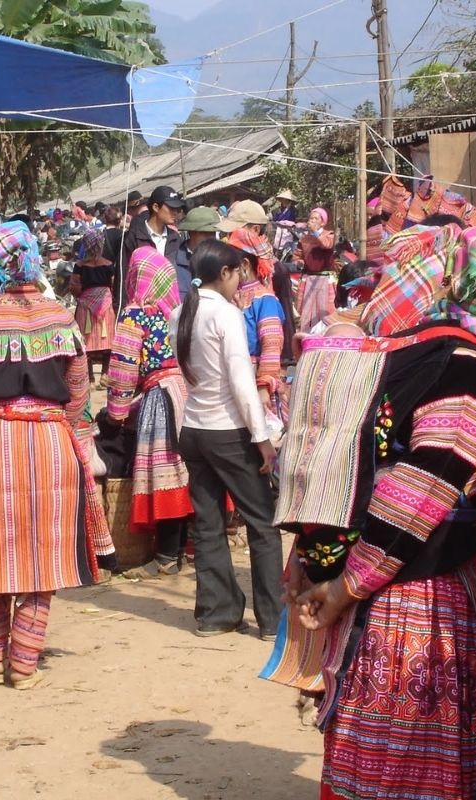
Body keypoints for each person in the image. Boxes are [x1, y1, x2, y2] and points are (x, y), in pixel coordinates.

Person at [291, 219, 476, 800]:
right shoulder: (472, 367)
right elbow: (422, 484)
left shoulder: (418, 346)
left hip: (384, 585)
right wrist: (348, 586)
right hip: (419, 603)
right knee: (411, 767)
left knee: (374, 762)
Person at [0, 221, 116, 689]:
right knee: (43, 554)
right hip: (54, 444)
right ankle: (25, 664)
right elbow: (77, 390)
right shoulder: (60, 315)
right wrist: (72, 431)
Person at [170, 239, 282, 639]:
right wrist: (262, 436)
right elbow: (240, 381)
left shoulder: (181, 312)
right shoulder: (225, 314)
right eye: (239, 274)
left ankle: (216, 613)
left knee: (209, 523)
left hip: (196, 429)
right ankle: (272, 619)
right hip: (227, 431)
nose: (241, 281)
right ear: (225, 273)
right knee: (263, 524)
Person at [104, 247, 192, 579]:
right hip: (188, 395)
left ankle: (166, 557)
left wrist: (116, 412)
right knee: (185, 473)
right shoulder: (180, 311)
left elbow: (123, 369)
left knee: (165, 474)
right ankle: (181, 550)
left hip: (160, 399)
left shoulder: (133, 315)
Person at [225, 225, 286, 415]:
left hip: (254, 378)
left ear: (244, 265)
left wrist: (263, 387)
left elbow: (272, 344)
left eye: (229, 267)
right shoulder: (233, 295)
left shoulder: (265, 300)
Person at [121, 185, 185, 304]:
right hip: (140, 310)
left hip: (170, 307)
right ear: (156, 207)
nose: (175, 213)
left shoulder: (175, 239)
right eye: (171, 208)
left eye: (177, 209)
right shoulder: (134, 237)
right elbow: (123, 275)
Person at [71, 229, 116, 378]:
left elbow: (75, 287)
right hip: (106, 307)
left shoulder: (79, 266)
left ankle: (90, 376)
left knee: (85, 341)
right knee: (108, 340)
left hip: (85, 308)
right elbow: (113, 285)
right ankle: (104, 373)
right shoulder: (109, 265)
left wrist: (83, 296)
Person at [175, 205, 221, 301]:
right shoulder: (173, 263)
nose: (212, 238)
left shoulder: (221, 262)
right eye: (207, 233)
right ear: (193, 233)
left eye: (213, 233)